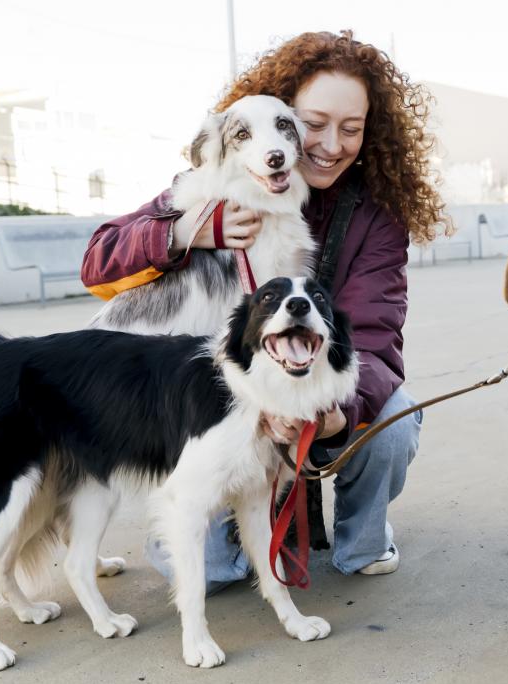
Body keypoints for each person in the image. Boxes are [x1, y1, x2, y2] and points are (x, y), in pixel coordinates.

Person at [80, 30, 448, 589]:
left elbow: (373, 340)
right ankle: (232, 520)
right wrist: (186, 233)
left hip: (314, 386)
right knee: (214, 574)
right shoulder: (212, 185)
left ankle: (363, 542)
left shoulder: (378, 217)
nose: (328, 144)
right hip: (219, 401)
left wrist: (337, 412)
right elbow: (97, 264)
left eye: (351, 129)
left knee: (393, 421)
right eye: (314, 123)